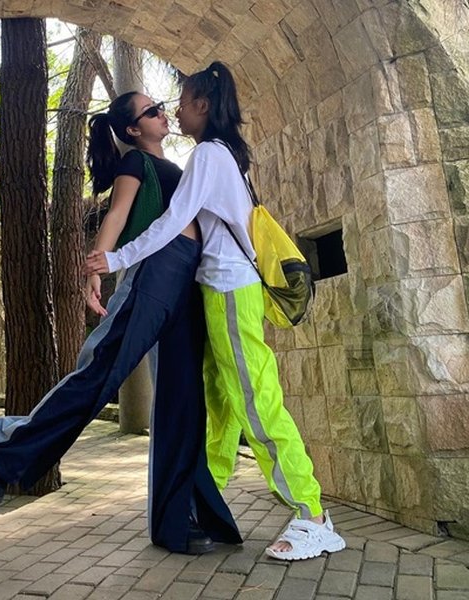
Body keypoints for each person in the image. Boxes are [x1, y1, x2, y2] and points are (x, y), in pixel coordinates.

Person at [85, 61, 345, 561]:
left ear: (203, 105)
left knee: (254, 401)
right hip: (219, 293)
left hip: (231, 291)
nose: (176, 111)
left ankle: (311, 514)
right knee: (221, 408)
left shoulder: (207, 154)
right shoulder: (219, 155)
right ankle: (204, 501)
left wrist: (115, 259)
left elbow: (172, 224)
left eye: (181, 102)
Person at [0, 91, 242, 555]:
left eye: (162, 106)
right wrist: (94, 273)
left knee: (184, 401)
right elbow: (117, 216)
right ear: (134, 129)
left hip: (188, 277)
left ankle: (179, 522)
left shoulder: (186, 165)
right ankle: (7, 453)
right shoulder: (134, 164)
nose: (163, 113)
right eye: (152, 111)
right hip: (155, 271)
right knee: (102, 371)